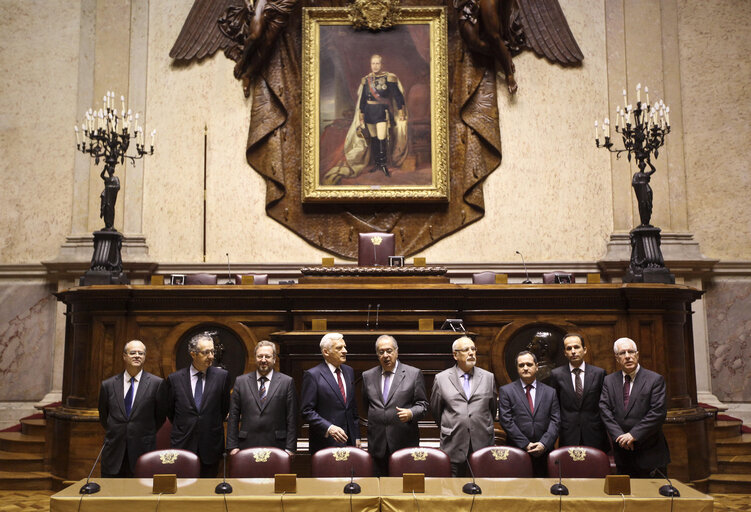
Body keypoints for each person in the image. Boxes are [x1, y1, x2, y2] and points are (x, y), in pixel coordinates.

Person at [161, 331, 232, 477]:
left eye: (213, 351)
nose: (211, 356)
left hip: (211, 444)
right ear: (193, 354)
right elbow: (170, 411)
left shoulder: (222, 377)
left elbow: (224, 408)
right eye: (206, 352)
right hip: (183, 443)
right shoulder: (175, 379)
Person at [599, 337, 670, 477]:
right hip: (623, 452)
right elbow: (604, 409)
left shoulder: (654, 379)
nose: (627, 356)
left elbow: (658, 413)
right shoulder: (609, 380)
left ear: (637, 354)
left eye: (631, 352)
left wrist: (633, 435)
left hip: (649, 451)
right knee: (626, 496)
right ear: (617, 358)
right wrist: (620, 436)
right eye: (622, 353)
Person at [362, 335, 428, 475]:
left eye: (389, 351)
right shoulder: (367, 376)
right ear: (377, 354)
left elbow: (423, 405)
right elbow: (366, 405)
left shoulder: (413, 374)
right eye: (381, 352)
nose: (385, 355)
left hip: (403, 442)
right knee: (378, 488)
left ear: (396, 352)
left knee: (404, 490)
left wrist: (411, 413)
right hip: (377, 444)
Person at [430, 336, 497, 477]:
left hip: (482, 442)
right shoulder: (441, 379)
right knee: (453, 491)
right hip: (453, 443)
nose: (471, 353)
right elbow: (436, 411)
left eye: (473, 349)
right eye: (466, 350)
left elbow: (492, 408)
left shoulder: (488, 377)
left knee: (483, 490)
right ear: (455, 355)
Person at [98, 340, 164, 477]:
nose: (137, 356)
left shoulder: (157, 384)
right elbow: (104, 416)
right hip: (114, 451)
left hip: (143, 450)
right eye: (132, 353)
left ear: (145, 357)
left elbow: (160, 417)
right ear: (124, 356)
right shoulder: (108, 385)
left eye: (141, 353)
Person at [227, 340, 298, 456]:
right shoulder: (241, 381)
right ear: (255, 358)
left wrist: (290, 448)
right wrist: (232, 446)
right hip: (246, 444)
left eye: (267, 356)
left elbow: (292, 418)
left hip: (277, 445)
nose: (263, 360)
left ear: (274, 359)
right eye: (260, 356)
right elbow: (233, 417)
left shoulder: (287, 382)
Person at [498, 351, 560, 477]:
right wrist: (526, 444)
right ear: (517, 368)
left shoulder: (550, 392)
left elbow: (556, 420)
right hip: (517, 450)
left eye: (529, 364)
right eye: (521, 365)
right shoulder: (506, 391)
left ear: (536, 366)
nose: (525, 368)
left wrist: (544, 443)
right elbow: (506, 420)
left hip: (545, 451)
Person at [301, 333, 360, 454]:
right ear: (326, 352)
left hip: (350, 441)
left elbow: (352, 407)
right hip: (325, 442)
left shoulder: (349, 371)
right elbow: (306, 411)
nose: (345, 351)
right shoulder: (313, 375)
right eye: (339, 348)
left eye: (344, 347)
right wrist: (329, 427)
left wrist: (357, 436)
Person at [548, 333, 609, 452]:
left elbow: (604, 405)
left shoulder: (599, 373)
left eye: (576, 347)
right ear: (565, 352)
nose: (573, 351)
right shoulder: (556, 375)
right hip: (568, 433)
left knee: (595, 468)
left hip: (595, 433)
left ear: (584, 350)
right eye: (569, 348)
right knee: (570, 469)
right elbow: (555, 406)